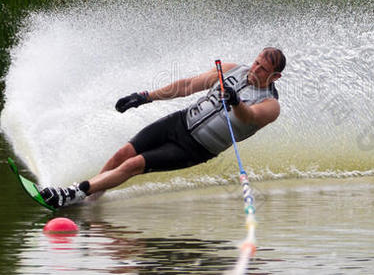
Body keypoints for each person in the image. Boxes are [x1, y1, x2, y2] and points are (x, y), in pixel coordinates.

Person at [40, 47, 285, 209]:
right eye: (256, 62)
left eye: (263, 69)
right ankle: (90, 199)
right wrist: (146, 96)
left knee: (133, 165)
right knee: (122, 154)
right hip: (179, 122)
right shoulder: (232, 70)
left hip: (196, 148)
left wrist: (234, 101)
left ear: (275, 77)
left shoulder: (270, 105)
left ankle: (75, 192)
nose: (255, 69)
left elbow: (248, 117)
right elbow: (188, 85)